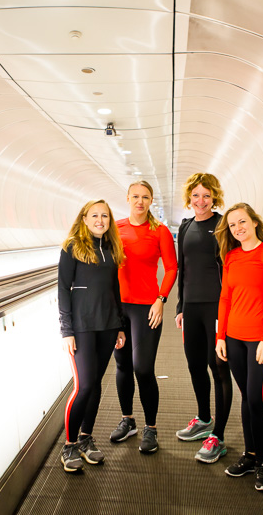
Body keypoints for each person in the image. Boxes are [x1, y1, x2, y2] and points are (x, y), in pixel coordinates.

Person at [213, 202, 263, 492]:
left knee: (257, 400)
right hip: (234, 339)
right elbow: (225, 298)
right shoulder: (231, 257)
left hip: (261, 341)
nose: (237, 228)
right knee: (246, 397)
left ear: (254, 222)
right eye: (232, 225)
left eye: (242, 222)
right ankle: (250, 454)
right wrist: (221, 336)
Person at [58, 200, 127, 473]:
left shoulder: (111, 248)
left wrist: (120, 325)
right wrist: (67, 330)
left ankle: (86, 438)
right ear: (84, 219)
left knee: (96, 383)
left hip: (107, 325)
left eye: (105, 216)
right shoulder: (72, 247)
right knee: (84, 386)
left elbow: (114, 288)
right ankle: (69, 445)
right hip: (82, 326)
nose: (100, 220)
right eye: (95, 215)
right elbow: (63, 289)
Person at [110, 180, 178, 453]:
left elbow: (171, 268)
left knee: (143, 368)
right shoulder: (115, 228)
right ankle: (128, 420)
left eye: (145, 197)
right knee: (122, 365)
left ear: (151, 201)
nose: (140, 201)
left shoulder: (159, 231)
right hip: (118, 308)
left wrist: (161, 300)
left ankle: (151, 427)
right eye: (135, 196)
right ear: (127, 198)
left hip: (146, 308)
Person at [173, 173, 233, 464]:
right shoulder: (185, 227)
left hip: (216, 308)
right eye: (196, 195)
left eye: (206, 195)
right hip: (192, 307)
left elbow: (230, 270)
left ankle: (218, 437)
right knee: (195, 365)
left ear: (214, 197)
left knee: (218, 367)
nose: (201, 201)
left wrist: (227, 312)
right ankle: (204, 419)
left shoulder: (223, 225)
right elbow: (182, 269)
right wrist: (180, 306)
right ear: (189, 198)